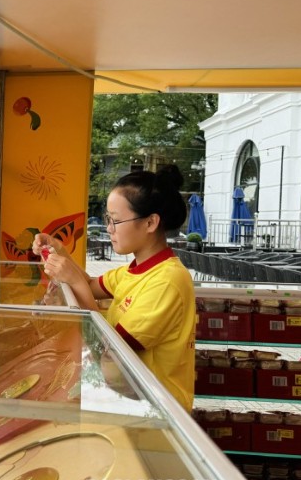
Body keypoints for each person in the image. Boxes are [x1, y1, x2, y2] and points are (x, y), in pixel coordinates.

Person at [33, 165, 195, 411]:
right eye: (108, 219)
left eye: (116, 221)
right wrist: (58, 251)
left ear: (150, 222)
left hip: (157, 409)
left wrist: (73, 280)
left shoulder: (166, 281)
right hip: (129, 397)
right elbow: (89, 285)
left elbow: (110, 348)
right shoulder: (135, 269)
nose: (109, 228)